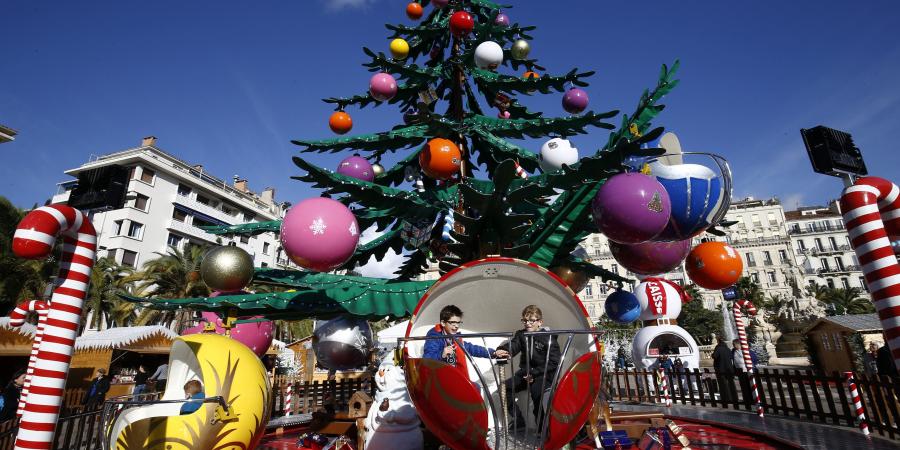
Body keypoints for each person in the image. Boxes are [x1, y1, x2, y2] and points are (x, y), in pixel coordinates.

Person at [495, 305, 561, 429]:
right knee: (504, 388)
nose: (528, 324)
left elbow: (554, 362)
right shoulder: (521, 335)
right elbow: (514, 346)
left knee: (538, 396)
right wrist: (503, 350)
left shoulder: (549, 337)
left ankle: (542, 430)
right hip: (526, 373)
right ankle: (518, 420)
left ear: (540, 322)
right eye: (525, 321)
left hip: (542, 374)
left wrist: (535, 373)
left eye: (532, 320)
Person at [423, 304, 506, 369]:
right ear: (443, 323)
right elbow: (426, 359)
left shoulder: (454, 337)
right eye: (453, 322)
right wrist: (442, 354)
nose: (456, 326)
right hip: (439, 375)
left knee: (475, 387)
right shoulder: (435, 336)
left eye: (458, 323)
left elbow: (471, 348)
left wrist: (493, 353)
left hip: (453, 374)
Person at [711, 338, 735, 402]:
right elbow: (731, 357)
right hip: (729, 369)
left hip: (721, 369)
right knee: (731, 383)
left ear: (718, 342)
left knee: (723, 384)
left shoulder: (718, 348)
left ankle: (726, 398)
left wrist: (712, 354)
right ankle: (733, 397)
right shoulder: (728, 349)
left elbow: (714, 356)